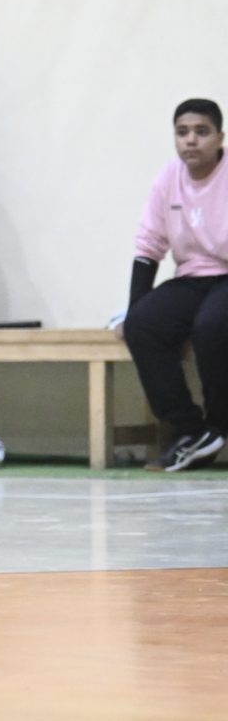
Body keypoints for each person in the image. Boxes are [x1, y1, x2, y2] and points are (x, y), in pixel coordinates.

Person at [123, 98, 228, 472]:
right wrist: (134, 308)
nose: (191, 140)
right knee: (141, 325)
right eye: (182, 132)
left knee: (211, 327)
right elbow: (149, 245)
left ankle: (219, 425)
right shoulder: (169, 177)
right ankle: (191, 430)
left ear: (220, 138)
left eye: (201, 132)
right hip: (192, 278)